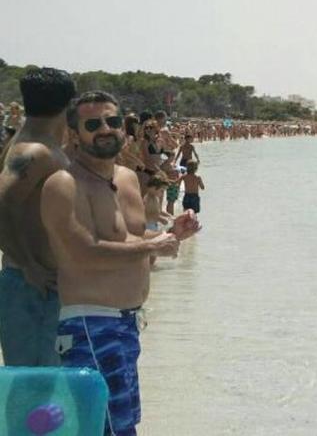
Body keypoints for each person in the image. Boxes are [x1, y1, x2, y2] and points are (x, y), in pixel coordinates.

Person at [41, 91, 199, 436]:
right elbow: (80, 253)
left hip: (128, 324)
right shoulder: (64, 184)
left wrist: (170, 236)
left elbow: (128, 242)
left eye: (112, 121)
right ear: (73, 133)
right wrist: (153, 245)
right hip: (89, 326)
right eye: (92, 123)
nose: (105, 129)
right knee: (101, 427)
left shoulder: (127, 178)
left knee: (122, 424)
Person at [0, 67, 76, 366]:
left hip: (41, 288)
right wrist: (29, 264)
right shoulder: (35, 150)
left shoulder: (38, 142)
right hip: (30, 287)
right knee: (34, 388)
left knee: (47, 390)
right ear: (68, 104)